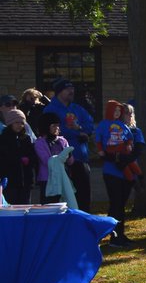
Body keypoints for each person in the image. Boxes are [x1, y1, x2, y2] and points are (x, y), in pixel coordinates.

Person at [95, 101, 143, 246]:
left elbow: (138, 149)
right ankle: (114, 236)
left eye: (130, 113)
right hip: (112, 172)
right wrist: (113, 158)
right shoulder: (108, 127)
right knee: (116, 204)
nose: (128, 115)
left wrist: (125, 159)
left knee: (121, 205)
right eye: (125, 112)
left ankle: (119, 234)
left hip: (128, 172)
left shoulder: (134, 131)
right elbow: (102, 147)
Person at [43, 79, 94, 212]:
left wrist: (81, 128)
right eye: (67, 89)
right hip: (60, 160)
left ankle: (83, 223)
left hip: (80, 157)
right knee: (65, 197)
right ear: (59, 92)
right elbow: (52, 130)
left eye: (72, 88)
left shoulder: (77, 108)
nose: (72, 91)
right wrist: (78, 133)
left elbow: (90, 125)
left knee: (83, 195)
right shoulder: (50, 109)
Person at [34, 112, 74, 203]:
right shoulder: (40, 143)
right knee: (48, 203)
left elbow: (70, 162)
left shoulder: (62, 141)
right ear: (46, 127)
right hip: (47, 179)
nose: (57, 128)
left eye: (58, 126)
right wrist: (62, 157)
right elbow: (46, 161)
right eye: (54, 126)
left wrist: (69, 155)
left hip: (62, 177)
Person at [0, 109, 37, 204]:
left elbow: (33, 156)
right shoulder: (4, 139)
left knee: (25, 208)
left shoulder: (26, 138)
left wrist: (29, 160)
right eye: (16, 122)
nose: (19, 125)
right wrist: (18, 160)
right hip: (10, 182)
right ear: (10, 123)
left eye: (21, 123)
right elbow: (4, 158)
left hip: (26, 181)